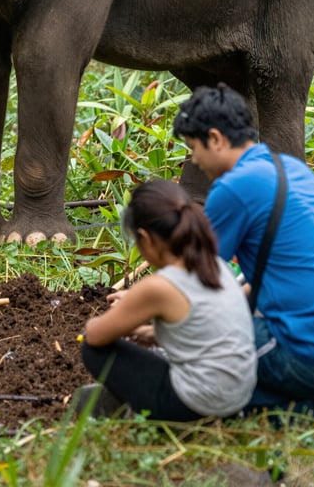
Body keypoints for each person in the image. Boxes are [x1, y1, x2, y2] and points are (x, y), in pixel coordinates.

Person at [173, 83, 314, 422]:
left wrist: (151, 318)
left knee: (201, 351)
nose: (194, 160)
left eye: (194, 148)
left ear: (215, 138)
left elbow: (191, 279)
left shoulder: (232, 188)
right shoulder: (292, 169)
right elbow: (272, 276)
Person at [76, 179, 256, 421]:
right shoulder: (215, 265)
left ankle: (150, 416)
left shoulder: (159, 287)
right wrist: (153, 333)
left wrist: (129, 311)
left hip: (198, 406)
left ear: (145, 238)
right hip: (238, 398)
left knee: (92, 349)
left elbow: (95, 335)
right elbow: (206, 326)